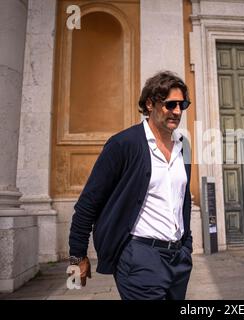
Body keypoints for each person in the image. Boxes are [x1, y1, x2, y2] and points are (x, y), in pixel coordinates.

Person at [68, 71, 193, 300]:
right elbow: (87, 204)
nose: (177, 111)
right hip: (139, 257)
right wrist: (77, 257)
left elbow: (182, 201)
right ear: (149, 104)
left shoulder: (183, 147)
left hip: (178, 260)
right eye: (170, 104)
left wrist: (187, 247)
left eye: (182, 104)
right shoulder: (123, 144)